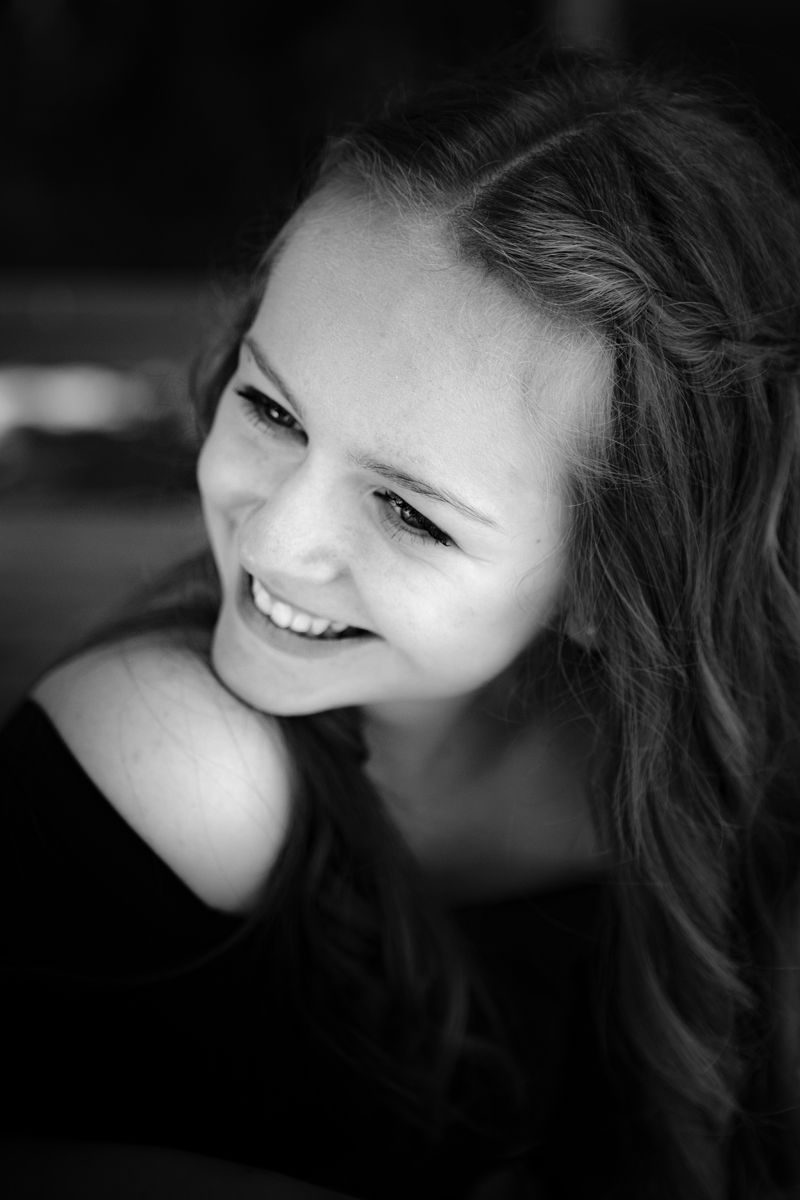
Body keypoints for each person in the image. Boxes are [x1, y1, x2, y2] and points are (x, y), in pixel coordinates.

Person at [3, 47, 800, 1200]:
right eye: (271, 408)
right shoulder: (172, 763)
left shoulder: (735, 809)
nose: (273, 542)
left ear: (606, 582)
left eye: (407, 512)